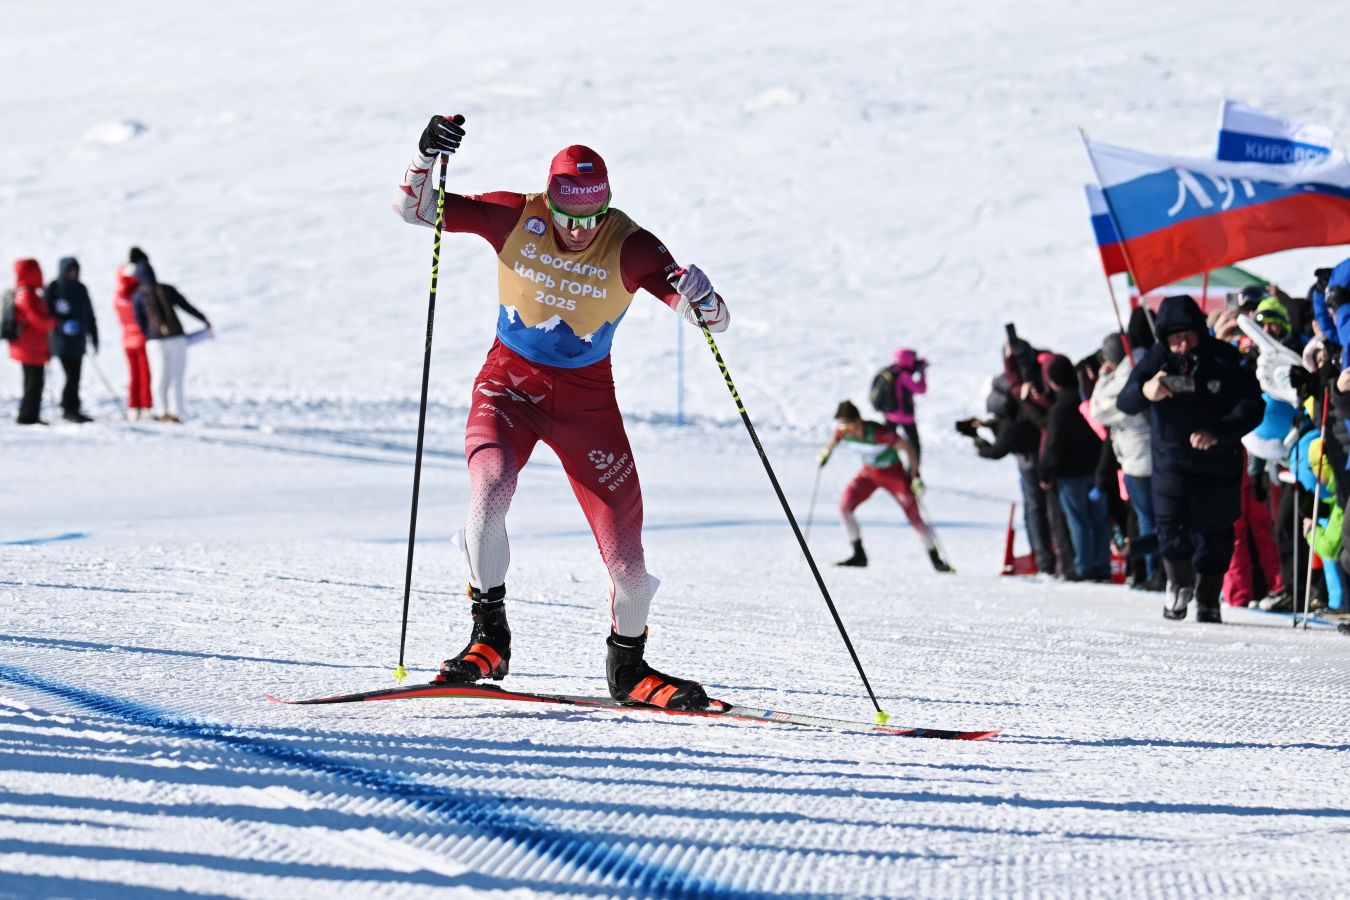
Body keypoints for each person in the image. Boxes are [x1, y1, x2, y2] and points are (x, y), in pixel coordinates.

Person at [393, 114, 731, 711]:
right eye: (569, 217)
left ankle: (629, 668)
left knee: (628, 563)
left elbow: (710, 318)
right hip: (507, 388)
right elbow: (418, 212)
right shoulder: (513, 216)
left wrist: (705, 299)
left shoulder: (631, 244)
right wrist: (425, 157)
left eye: (593, 217)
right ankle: (488, 639)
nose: (581, 231)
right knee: (488, 494)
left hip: (587, 407)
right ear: (550, 201)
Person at [1117, 295, 1264, 623]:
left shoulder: (1226, 360)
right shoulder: (1156, 360)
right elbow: (1125, 401)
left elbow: (1253, 407)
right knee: (1170, 528)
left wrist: (1220, 432)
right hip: (1171, 461)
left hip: (1218, 461)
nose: (1182, 345)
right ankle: (1179, 584)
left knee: (1217, 535)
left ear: (1200, 333)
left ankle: (1209, 599)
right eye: (1175, 339)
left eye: (1189, 337)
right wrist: (1146, 391)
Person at [819, 400, 951, 572]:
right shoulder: (843, 432)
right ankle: (859, 554)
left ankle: (936, 559)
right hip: (869, 474)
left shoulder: (878, 433)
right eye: (842, 425)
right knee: (844, 507)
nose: (845, 430)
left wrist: (915, 475)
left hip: (893, 475)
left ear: (858, 420)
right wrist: (825, 453)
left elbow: (908, 448)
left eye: (848, 425)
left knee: (914, 517)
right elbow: (834, 440)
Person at [958, 376, 1059, 574]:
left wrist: (977, 441)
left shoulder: (1011, 424)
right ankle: (1046, 555)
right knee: (1042, 510)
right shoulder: (1025, 409)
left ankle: (1044, 559)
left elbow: (995, 450)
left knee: (1036, 510)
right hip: (1042, 465)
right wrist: (985, 426)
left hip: (1033, 467)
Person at [1090, 332, 1161, 590]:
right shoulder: (1141, 365)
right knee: (1153, 520)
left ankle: (1156, 575)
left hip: (1140, 461)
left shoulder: (1125, 376)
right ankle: (1154, 573)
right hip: (1141, 457)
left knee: (1149, 521)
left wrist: (1102, 377)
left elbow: (1099, 410)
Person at [1038, 354, 1110, 581]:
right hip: (1095, 468)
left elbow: (1054, 443)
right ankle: (1102, 565)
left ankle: (1085, 566)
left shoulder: (1060, 407)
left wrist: (1046, 472)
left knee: (1079, 521)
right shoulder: (1086, 397)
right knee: (1098, 520)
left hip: (1070, 474)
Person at [130, 248, 210, 423]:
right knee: (176, 377)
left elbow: (139, 321)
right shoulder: (167, 289)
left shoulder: (138, 296)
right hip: (177, 338)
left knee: (158, 376)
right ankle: (177, 412)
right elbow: (186, 306)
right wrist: (203, 319)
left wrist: (150, 335)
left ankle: (161, 411)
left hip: (155, 341)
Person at [46, 257, 99, 423]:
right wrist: (62, 326)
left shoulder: (81, 289)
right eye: (70, 270)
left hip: (79, 342)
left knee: (76, 376)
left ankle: (73, 408)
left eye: (75, 270)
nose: (73, 273)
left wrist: (94, 336)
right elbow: (47, 314)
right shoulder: (54, 288)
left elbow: (89, 314)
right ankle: (68, 408)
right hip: (61, 342)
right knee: (71, 376)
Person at [9, 259, 56, 425]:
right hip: (29, 348)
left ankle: (32, 415)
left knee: (35, 382)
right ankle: (27, 417)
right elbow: (35, 319)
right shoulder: (26, 293)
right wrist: (53, 322)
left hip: (32, 347)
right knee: (32, 383)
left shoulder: (28, 292)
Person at [112, 263, 152, 419]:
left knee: (134, 376)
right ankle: (146, 407)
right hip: (141, 340)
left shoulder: (118, 296)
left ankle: (133, 408)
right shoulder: (138, 294)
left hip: (127, 341)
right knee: (144, 376)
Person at [881, 348, 927, 468]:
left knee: (886, 441)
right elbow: (921, 389)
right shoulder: (904, 376)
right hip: (905, 417)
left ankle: (885, 467)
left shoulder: (892, 371)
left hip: (890, 415)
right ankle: (913, 471)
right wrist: (922, 373)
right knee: (914, 445)